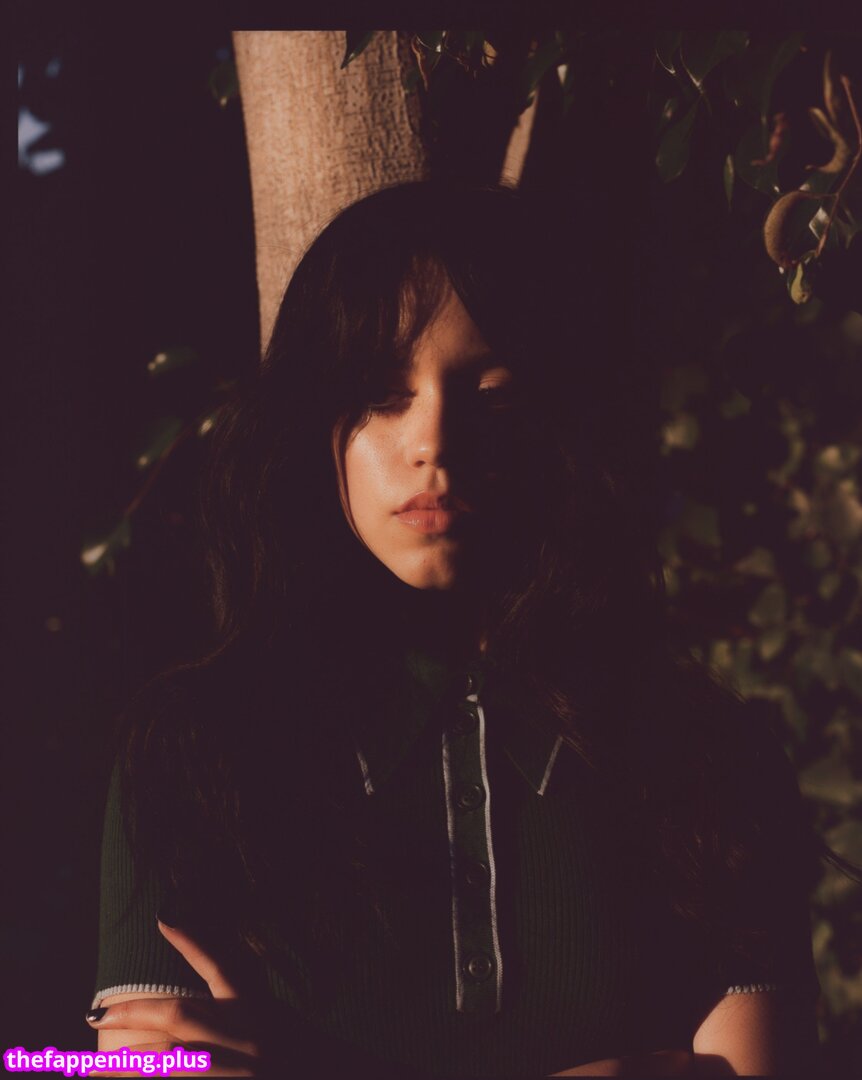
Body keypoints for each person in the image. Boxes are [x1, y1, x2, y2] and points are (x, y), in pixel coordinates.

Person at [88, 181, 829, 1077]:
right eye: (380, 393)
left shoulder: (708, 754)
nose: (432, 442)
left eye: (495, 394)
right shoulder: (191, 750)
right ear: (312, 427)